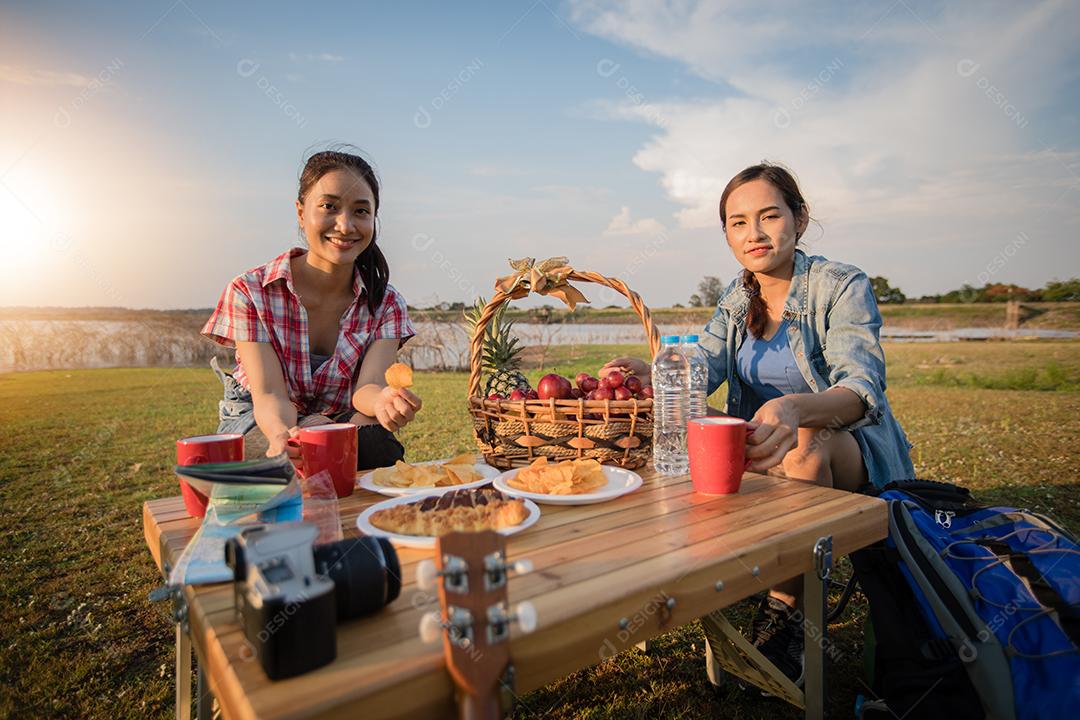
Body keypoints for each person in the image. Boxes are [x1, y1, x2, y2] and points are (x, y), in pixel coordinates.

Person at [602, 162, 914, 687]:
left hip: (846, 447)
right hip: (764, 442)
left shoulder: (840, 285)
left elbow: (862, 392)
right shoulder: (737, 294)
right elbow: (703, 365)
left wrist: (794, 408)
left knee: (807, 447)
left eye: (769, 216)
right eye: (738, 222)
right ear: (726, 232)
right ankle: (685, 575)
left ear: (799, 218)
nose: (755, 233)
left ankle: (783, 616)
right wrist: (651, 368)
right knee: (683, 433)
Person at [202, 148, 421, 471]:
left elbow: (368, 387)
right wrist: (282, 437)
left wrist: (383, 401)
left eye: (361, 211)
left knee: (377, 444)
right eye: (329, 207)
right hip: (261, 416)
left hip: (336, 416)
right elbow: (270, 395)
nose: (345, 225)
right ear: (301, 212)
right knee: (269, 458)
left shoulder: (386, 303)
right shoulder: (251, 292)